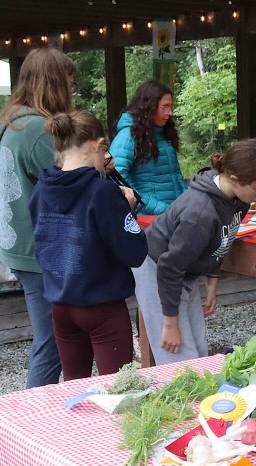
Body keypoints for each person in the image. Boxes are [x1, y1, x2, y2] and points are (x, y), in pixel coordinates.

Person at [134, 140, 256, 364]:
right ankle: (183, 395)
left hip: (183, 269)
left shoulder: (238, 198)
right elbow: (169, 267)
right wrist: (170, 323)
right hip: (157, 268)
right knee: (178, 353)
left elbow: (225, 238)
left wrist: (212, 282)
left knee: (198, 346)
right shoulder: (200, 213)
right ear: (234, 178)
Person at [30, 112, 148, 380]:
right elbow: (135, 252)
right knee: (118, 389)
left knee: (74, 388)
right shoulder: (103, 193)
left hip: (61, 305)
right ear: (99, 145)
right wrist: (127, 209)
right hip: (102, 306)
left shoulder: (41, 189)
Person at [0, 47, 77, 388]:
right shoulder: (37, 130)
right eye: (69, 83)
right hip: (40, 250)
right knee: (54, 344)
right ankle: (30, 418)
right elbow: (71, 184)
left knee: (53, 339)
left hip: (18, 244)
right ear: (54, 84)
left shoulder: (12, 120)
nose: (73, 91)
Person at [109, 80, 188, 216]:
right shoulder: (127, 136)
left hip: (172, 215)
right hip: (148, 219)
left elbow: (175, 177)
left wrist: (188, 202)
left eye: (171, 107)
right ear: (149, 106)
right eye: (165, 107)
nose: (170, 112)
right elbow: (117, 180)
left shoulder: (163, 134)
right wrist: (155, 207)